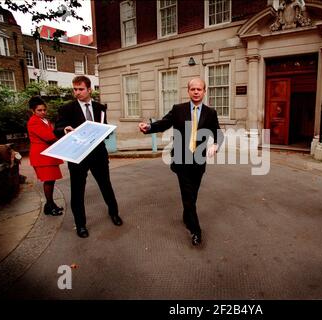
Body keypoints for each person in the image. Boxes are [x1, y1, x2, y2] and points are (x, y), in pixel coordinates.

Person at [138, 78, 224, 246]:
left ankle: (186, 216)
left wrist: (215, 145)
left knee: (193, 195)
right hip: (181, 160)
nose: (196, 92)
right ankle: (196, 231)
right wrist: (148, 127)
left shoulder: (210, 113)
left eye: (199, 89)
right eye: (193, 89)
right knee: (188, 196)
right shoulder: (178, 110)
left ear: (204, 91)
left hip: (199, 161)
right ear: (188, 91)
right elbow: (163, 124)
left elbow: (218, 134)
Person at [54, 76, 122, 238]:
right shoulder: (67, 109)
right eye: (75, 89)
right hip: (78, 156)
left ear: (89, 90)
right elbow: (57, 128)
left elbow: (103, 127)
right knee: (77, 191)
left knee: (106, 185)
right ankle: (81, 225)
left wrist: (107, 131)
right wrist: (64, 130)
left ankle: (114, 213)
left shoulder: (100, 107)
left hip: (99, 155)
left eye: (81, 89)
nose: (77, 92)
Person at [27, 96, 64, 216]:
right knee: (48, 181)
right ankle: (50, 205)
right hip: (41, 156)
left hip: (48, 154)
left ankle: (49, 206)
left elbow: (51, 134)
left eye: (44, 110)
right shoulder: (33, 121)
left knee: (51, 181)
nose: (43, 112)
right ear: (33, 111)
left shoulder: (45, 120)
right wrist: (65, 141)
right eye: (39, 110)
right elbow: (49, 137)